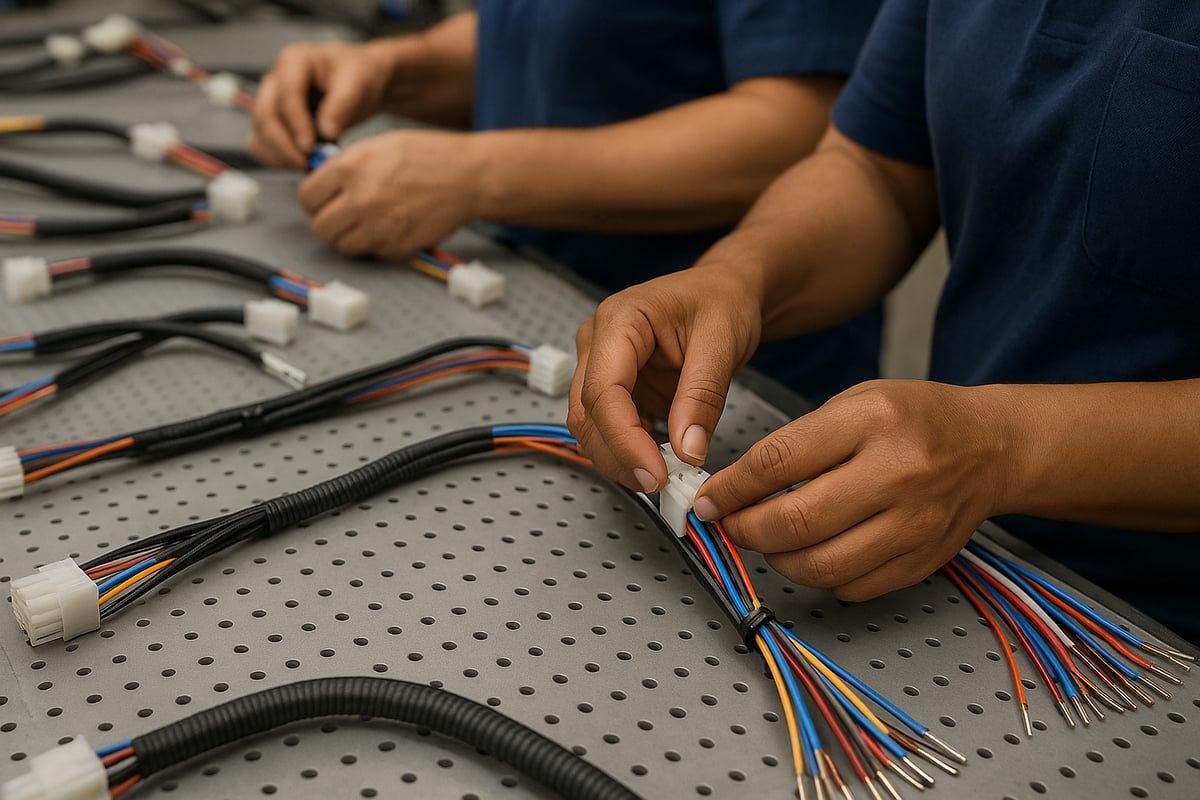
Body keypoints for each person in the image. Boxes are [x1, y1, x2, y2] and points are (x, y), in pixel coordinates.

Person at [566, 1, 1200, 643]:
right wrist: (738, 275)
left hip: (1159, 631)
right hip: (959, 562)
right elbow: (877, 170)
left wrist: (1002, 449)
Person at [248, 1, 884, 405]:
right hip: (527, 313)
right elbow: (551, 38)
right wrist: (390, 70)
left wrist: (477, 174)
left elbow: (809, 126)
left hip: (726, 386)